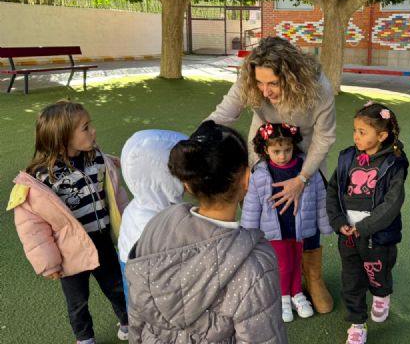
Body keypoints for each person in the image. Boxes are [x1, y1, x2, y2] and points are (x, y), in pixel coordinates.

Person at [125, 120, 287, 343]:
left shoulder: (157, 225)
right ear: (247, 179)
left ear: (188, 184)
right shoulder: (254, 265)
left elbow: (136, 314)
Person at [206, 36, 336, 313]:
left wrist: (302, 179)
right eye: (260, 83)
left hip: (306, 150)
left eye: (273, 83)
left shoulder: (318, 87)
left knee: (308, 208)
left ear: (291, 77)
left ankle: (312, 278)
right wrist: (196, 140)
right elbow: (224, 116)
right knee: (262, 210)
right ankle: (272, 276)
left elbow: (325, 137)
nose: (264, 91)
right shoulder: (250, 81)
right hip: (263, 145)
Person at [7, 100, 129, 344]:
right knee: (77, 301)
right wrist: (48, 263)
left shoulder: (97, 159)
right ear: (62, 137)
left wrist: (128, 227)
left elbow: (115, 197)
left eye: (90, 125)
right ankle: (84, 339)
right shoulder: (41, 177)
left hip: (102, 239)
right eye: (85, 128)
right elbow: (32, 227)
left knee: (116, 286)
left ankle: (128, 323)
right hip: (69, 251)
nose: (92, 131)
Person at [326, 102, 409, 344]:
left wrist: (364, 227)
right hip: (348, 234)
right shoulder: (347, 158)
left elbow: (392, 204)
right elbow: (333, 190)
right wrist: (338, 221)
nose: (356, 137)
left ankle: (382, 294)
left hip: (377, 236)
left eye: (363, 132)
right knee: (351, 279)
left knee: (378, 274)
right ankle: (357, 323)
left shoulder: (393, 164)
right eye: (355, 131)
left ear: (382, 135)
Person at [241, 122, 332, 322]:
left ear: (293, 147)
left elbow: (320, 197)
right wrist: (248, 232)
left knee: (296, 261)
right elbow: (251, 205)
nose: (282, 156)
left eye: (287, 150)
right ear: (266, 150)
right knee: (283, 265)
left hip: (299, 228)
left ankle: (297, 293)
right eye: (276, 151)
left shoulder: (307, 169)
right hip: (275, 230)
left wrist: (325, 224)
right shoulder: (261, 174)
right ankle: (282, 297)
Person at [116, 129, 188, 306]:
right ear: (164, 176)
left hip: (141, 304)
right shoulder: (158, 224)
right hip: (157, 308)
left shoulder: (137, 208)